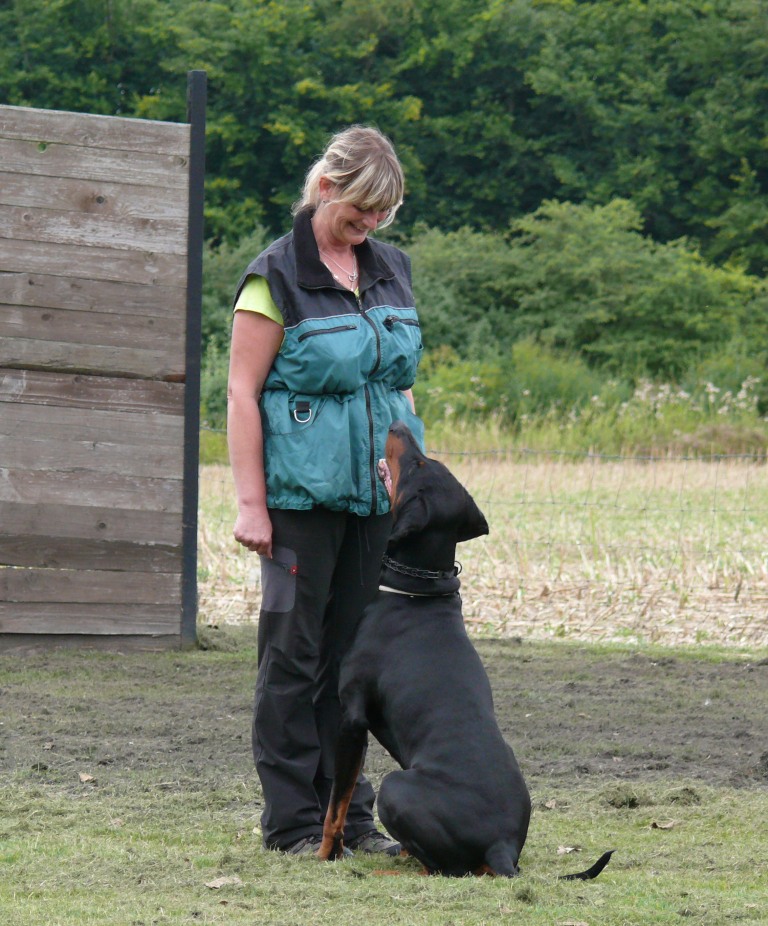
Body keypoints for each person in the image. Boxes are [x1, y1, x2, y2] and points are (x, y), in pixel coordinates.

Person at [227, 125, 424, 857]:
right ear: (326, 188)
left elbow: (399, 382)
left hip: (373, 505)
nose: (368, 224)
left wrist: (411, 470)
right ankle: (292, 824)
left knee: (353, 665)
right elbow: (241, 394)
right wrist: (251, 504)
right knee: (292, 659)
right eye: (359, 209)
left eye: (382, 213)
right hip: (298, 505)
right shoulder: (272, 276)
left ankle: (350, 819)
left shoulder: (392, 269)